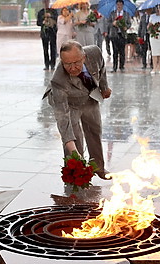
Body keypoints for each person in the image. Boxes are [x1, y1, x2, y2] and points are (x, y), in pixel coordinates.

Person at [43, 40, 112, 180]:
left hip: (88, 97)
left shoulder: (95, 52)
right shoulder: (59, 81)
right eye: (67, 64)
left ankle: (98, 167)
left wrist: (104, 87)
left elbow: (102, 68)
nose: (73, 68)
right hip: (69, 104)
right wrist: (74, 152)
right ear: (62, 61)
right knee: (75, 138)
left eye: (77, 63)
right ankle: (75, 174)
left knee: (94, 130)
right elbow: (63, 121)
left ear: (84, 57)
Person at [108, 0, 132, 72]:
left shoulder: (126, 14)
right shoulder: (112, 14)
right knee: (115, 51)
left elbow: (129, 23)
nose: (119, 6)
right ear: (116, 5)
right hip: (114, 34)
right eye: (118, 4)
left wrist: (126, 27)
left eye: (120, 4)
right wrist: (113, 23)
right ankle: (114, 66)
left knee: (122, 51)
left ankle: (121, 66)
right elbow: (108, 23)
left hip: (122, 34)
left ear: (123, 5)